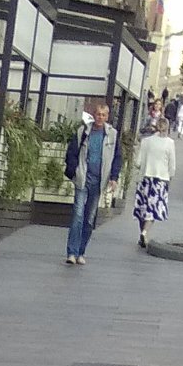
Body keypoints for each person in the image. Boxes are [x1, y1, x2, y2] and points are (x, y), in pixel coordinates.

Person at [64, 103, 122, 265]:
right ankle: (71, 252)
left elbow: (117, 157)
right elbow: (72, 152)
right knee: (78, 215)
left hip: (99, 182)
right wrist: (73, 170)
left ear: (107, 116)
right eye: (98, 114)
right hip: (82, 178)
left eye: (103, 115)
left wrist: (114, 177)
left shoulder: (112, 135)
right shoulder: (83, 131)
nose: (100, 118)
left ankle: (81, 251)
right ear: (93, 115)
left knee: (89, 219)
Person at [132, 117, 175, 249]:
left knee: (142, 209)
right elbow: (172, 165)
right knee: (153, 210)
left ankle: (142, 232)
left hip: (145, 178)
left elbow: (138, 162)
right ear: (167, 128)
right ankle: (145, 232)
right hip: (160, 180)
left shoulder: (146, 141)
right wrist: (170, 177)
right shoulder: (170, 143)